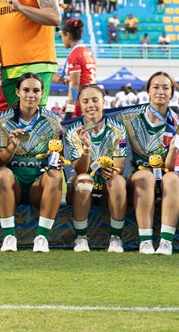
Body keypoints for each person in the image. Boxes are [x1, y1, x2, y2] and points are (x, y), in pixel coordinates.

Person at [118, 71, 179, 255]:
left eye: (166, 88)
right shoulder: (129, 117)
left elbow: (174, 167)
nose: (161, 91)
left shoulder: (178, 125)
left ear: (172, 93)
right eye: (156, 87)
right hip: (139, 177)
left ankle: (166, 241)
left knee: (173, 178)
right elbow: (106, 123)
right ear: (148, 91)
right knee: (145, 177)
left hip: (167, 175)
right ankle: (146, 241)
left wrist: (173, 148)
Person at [0, 74, 63, 253]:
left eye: (35, 90)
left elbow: (56, 155)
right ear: (17, 92)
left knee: (56, 176)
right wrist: (11, 147)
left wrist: (58, 161)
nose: (30, 95)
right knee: (1, 174)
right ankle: (9, 237)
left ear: (42, 93)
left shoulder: (53, 121)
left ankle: (41, 238)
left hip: (37, 185)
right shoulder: (2, 120)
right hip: (13, 183)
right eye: (26, 90)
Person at [64, 84, 128, 253]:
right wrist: (87, 148)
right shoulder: (73, 131)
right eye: (85, 101)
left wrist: (110, 171)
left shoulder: (118, 128)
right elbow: (80, 170)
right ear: (79, 104)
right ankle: (81, 238)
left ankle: (116, 238)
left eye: (95, 100)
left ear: (103, 102)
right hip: (81, 189)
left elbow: (120, 165)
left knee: (119, 181)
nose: (91, 105)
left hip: (107, 187)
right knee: (84, 180)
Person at [52, 18, 96, 117]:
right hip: (90, 98)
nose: (62, 40)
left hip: (82, 102)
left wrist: (70, 108)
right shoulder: (87, 51)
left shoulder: (75, 54)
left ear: (67, 35)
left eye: (62, 36)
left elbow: (75, 85)